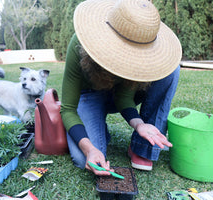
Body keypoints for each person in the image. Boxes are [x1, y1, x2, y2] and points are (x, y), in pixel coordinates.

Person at [60, 0, 182, 176]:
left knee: (171, 71)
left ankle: (141, 148)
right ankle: (97, 125)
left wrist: (140, 125)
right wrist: (89, 149)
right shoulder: (80, 42)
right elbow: (68, 109)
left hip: (119, 95)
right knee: (82, 159)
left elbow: (124, 96)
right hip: (90, 94)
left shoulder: (141, 54)